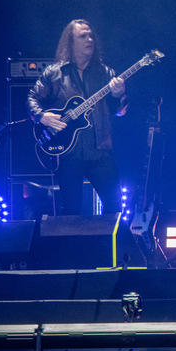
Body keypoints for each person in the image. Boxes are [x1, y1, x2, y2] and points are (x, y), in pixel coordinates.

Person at [26, 19, 127, 215]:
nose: (90, 39)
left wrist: (118, 95)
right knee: (71, 211)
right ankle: (74, 246)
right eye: (83, 36)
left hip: (100, 151)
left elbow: (118, 111)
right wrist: (42, 116)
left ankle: (107, 245)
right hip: (68, 153)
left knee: (115, 206)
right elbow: (32, 98)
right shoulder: (55, 73)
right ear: (71, 43)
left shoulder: (105, 73)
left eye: (91, 36)